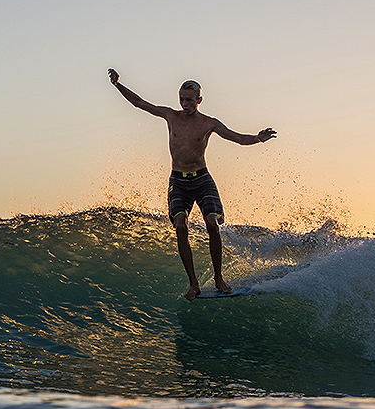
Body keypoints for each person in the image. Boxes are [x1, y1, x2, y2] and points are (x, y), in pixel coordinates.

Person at [107, 68, 276, 301]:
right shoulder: (171, 116)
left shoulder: (208, 123)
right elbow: (139, 103)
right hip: (178, 180)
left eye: (189, 100)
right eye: (182, 99)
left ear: (199, 100)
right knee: (180, 226)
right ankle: (194, 284)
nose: (185, 104)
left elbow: (236, 138)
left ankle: (218, 278)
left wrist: (257, 138)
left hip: (202, 179)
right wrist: (118, 84)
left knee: (212, 224)